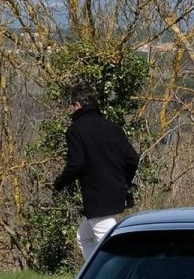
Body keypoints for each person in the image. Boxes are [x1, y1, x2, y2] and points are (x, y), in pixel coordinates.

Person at [52, 89, 140, 265]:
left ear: (77, 105)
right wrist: (124, 181)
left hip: (96, 195)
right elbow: (132, 158)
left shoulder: (75, 130)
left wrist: (59, 183)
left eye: (71, 105)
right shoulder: (113, 127)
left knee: (110, 247)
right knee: (83, 236)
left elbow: (76, 165)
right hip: (116, 192)